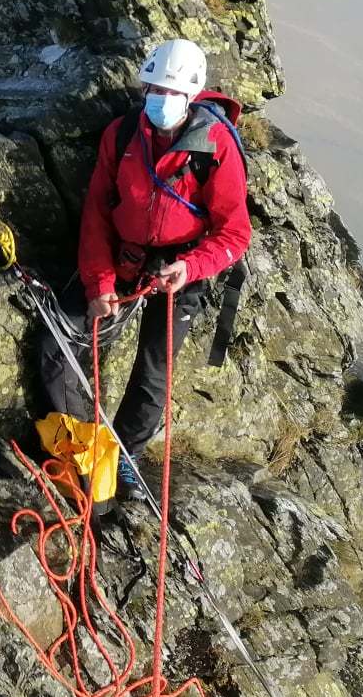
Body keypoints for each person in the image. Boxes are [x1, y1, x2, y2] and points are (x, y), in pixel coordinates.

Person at [39, 39, 251, 495]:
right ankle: (86, 453)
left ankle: (127, 458)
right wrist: (100, 284)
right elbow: (97, 213)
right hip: (122, 260)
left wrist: (190, 268)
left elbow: (235, 234)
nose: (160, 98)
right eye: (154, 87)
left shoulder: (214, 149)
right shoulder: (121, 135)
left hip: (179, 272)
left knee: (154, 373)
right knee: (58, 348)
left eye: (171, 91)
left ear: (192, 95)